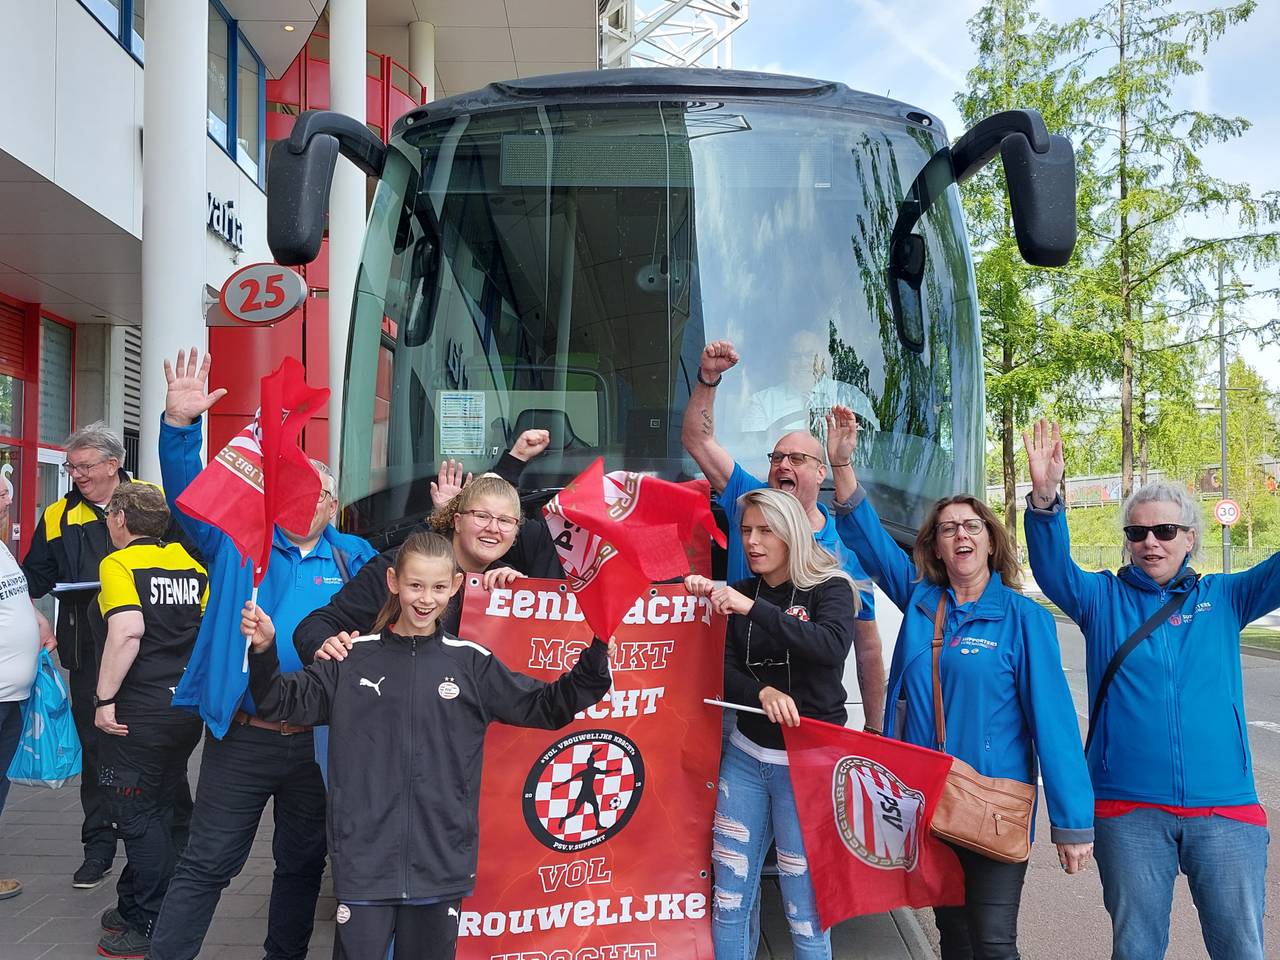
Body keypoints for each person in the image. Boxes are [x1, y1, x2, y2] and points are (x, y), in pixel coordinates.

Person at [239, 531, 616, 960]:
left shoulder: (471, 663)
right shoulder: (351, 660)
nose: (426, 599)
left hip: (441, 865)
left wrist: (597, 650)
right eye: (415, 585)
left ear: (455, 586)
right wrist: (265, 650)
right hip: (364, 863)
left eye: (438, 587)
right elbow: (278, 701)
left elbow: (548, 707)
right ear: (393, 583)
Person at [829, 406, 1093, 960]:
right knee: (955, 939)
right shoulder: (923, 601)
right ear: (936, 547)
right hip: (930, 798)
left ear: (991, 542)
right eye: (948, 529)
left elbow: (1056, 726)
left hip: (997, 801)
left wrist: (1072, 824)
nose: (960, 535)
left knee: (995, 943)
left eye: (972, 526)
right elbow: (871, 538)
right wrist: (843, 467)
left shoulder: (1026, 620)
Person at [148, 348, 378, 960]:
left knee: (301, 865)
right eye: (299, 482)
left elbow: (435, 574)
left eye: (322, 490)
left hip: (321, 739)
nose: (310, 496)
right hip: (244, 734)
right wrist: (178, 428)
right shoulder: (236, 545)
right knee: (207, 864)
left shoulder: (354, 558)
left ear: (334, 503)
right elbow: (187, 496)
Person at [1024, 419, 1273, 960]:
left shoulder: (1227, 597)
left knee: (1241, 950)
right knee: (1136, 948)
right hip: (1127, 810)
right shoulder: (1099, 599)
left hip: (1226, 810)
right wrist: (1046, 500)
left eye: (1164, 531)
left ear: (1190, 537)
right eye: (1137, 533)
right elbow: (1051, 569)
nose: (1150, 543)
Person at [686, 487, 859, 960]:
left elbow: (828, 647)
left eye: (765, 530)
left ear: (791, 534)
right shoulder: (739, 595)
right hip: (745, 759)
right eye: (746, 531)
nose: (753, 541)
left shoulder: (832, 588)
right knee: (728, 898)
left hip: (807, 765)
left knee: (804, 910)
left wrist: (754, 610)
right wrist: (760, 692)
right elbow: (719, 668)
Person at [681, 340, 885, 730]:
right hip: (740, 711)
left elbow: (868, 647)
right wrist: (708, 379)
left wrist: (873, 732)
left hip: (807, 725)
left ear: (820, 473)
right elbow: (698, 441)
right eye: (776, 458)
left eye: (797, 459)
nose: (782, 465)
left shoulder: (846, 552)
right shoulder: (748, 496)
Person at [21, 420, 190, 890]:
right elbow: (35, 577)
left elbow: (185, 559)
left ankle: (172, 847)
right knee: (97, 757)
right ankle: (98, 848)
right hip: (87, 652)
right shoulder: (59, 515)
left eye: (85, 466)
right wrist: (30, 614)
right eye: (71, 466)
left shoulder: (153, 501)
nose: (76, 474)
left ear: (114, 464)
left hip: (152, 653)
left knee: (160, 757)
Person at [293, 440, 561, 665]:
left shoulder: (511, 586)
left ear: (516, 532)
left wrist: (520, 595)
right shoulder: (400, 566)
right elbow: (316, 625)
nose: (492, 528)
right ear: (456, 521)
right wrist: (325, 645)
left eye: (505, 521)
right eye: (481, 516)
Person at [92, 482, 208, 958]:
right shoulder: (191, 564)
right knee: (165, 805)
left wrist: (103, 698)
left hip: (137, 711)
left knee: (136, 815)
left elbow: (127, 630)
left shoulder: (117, 564)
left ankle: (152, 917)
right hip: (182, 709)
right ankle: (134, 902)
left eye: (109, 516)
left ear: (121, 518)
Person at [0, 475, 52, 902]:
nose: (5, 499)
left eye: (5, 492)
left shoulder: (1, 548)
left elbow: (13, 596)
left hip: (13, 695)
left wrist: (35, 619)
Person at [740, 328, 880, 437]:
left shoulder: (852, 397)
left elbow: (871, 445)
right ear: (785, 361)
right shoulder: (762, 403)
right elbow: (755, 451)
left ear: (825, 358)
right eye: (795, 356)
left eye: (810, 355)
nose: (803, 362)